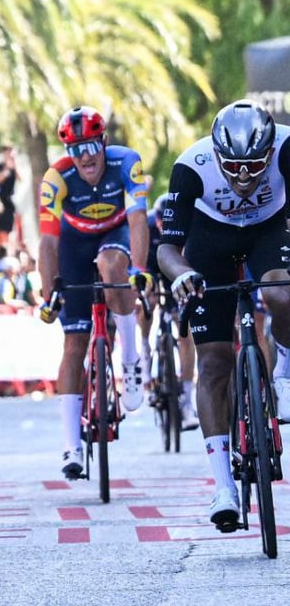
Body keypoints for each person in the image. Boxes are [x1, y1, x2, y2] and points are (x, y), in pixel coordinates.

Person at [157, 99, 290, 531]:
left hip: (270, 229)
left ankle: (284, 368)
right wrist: (182, 274)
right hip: (210, 238)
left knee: (282, 294)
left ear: (270, 151)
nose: (244, 178)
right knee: (214, 363)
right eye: (232, 167)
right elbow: (167, 247)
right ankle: (223, 488)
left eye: (254, 166)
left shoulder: (288, 146)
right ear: (216, 155)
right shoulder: (190, 166)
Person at [37, 105, 150, 480]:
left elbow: (137, 219)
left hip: (115, 233)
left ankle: (130, 359)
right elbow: (48, 242)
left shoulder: (126, 163)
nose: (85, 157)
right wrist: (48, 292)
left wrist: (139, 270)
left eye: (90, 146)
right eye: (76, 149)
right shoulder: (57, 177)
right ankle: (71, 446)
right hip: (74, 244)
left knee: (112, 267)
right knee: (73, 346)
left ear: (104, 142)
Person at [140, 192, 197, 430]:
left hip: (175, 268)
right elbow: (140, 260)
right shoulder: (147, 226)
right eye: (160, 223)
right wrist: (147, 286)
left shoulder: (186, 224)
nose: (163, 227)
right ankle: (144, 348)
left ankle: (187, 400)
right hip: (152, 266)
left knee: (186, 332)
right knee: (147, 300)